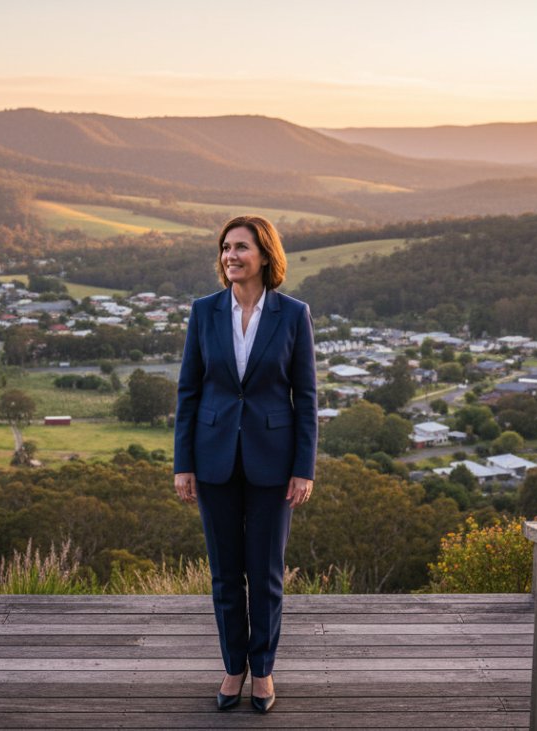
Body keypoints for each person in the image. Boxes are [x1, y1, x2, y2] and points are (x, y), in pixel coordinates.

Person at [174, 215, 318, 714]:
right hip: (212, 460)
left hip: (273, 465)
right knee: (224, 574)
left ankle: (263, 670)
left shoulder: (293, 314)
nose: (231, 256)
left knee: (267, 575)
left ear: (264, 255)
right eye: (225, 248)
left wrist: (304, 467)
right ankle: (233, 665)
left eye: (241, 248)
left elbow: (306, 396)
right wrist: (183, 463)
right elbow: (190, 391)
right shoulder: (203, 311)